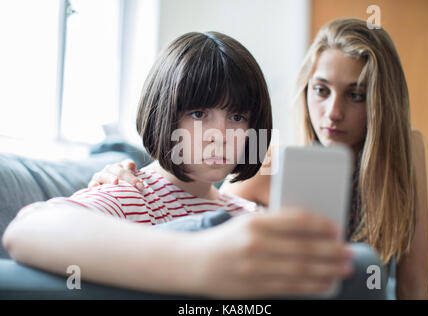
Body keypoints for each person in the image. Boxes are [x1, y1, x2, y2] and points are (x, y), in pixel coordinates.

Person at [88, 19, 428, 299]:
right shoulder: (270, 163)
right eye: (321, 90)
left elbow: (414, 282)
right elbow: (209, 225)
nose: (333, 113)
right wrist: (123, 178)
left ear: (380, 102)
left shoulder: (406, 154)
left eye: (356, 95)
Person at [2, 31, 356, 299]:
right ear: (164, 116)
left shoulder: (247, 215)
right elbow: (27, 229)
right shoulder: (131, 193)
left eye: (237, 116)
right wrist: (198, 259)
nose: (221, 134)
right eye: (199, 113)